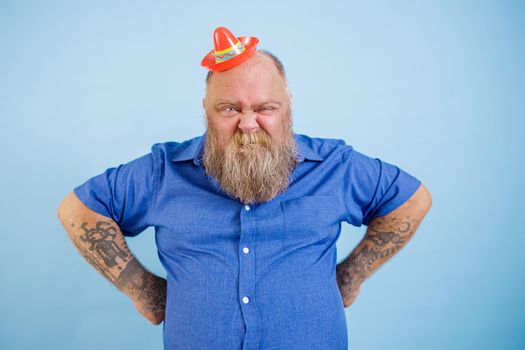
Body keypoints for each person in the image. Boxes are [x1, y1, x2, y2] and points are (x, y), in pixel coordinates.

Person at [57, 27, 432, 350]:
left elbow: (412, 201)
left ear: (288, 108)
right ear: (206, 109)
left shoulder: (335, 166)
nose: (248, 123)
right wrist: (142, 291)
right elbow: (78, 210)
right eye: (229, 109)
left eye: (265, 107)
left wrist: (351, 277)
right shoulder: (163, 171)